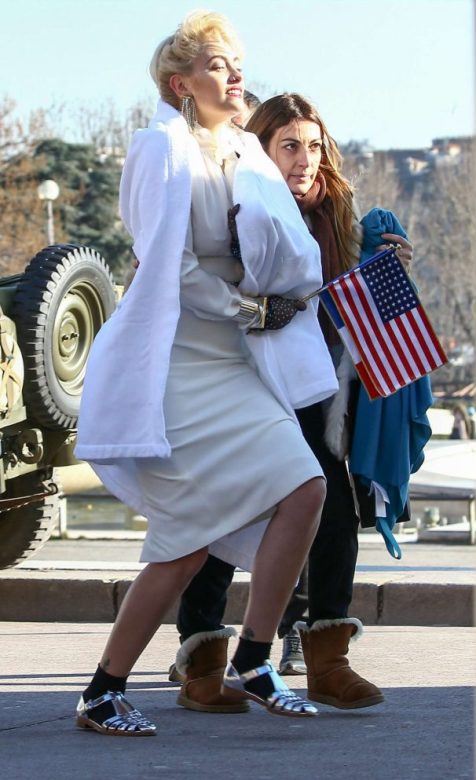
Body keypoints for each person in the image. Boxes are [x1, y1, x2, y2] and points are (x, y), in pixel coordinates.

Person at [73, 15, 342, 735]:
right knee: (187, 539)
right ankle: (103, 690)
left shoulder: (245, 148)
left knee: (305, 485)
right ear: (181, 83)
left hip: (233, 352)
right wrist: (249, 307)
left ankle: (254, 656)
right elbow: (165, 263)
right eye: (220, 66)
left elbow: (279, 240)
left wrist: (281, 294)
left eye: (238, 64)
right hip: (176, 359)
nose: (236, 76)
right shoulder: (159, 146)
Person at [170, 93, 414, 714]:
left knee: (329, 503)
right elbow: (191, 281)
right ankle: (202, 663)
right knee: (224, 514)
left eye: (313, 145)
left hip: (311, 388)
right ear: (261, 146)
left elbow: (360, 312)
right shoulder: (230, 203)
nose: (305, 159)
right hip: (238, 383)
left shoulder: (343, 217)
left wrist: (385, 262)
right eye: (290, 145)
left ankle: (327, 660)